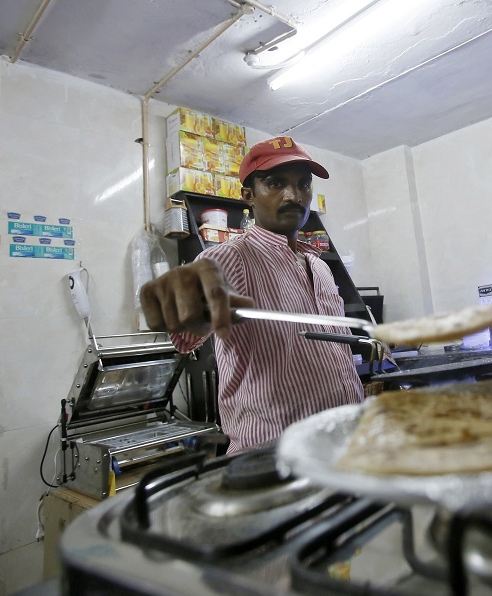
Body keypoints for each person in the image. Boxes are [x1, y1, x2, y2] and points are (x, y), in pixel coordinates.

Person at [140, 136, 364, 453]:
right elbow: (187, 326)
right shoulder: (232, 258)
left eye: (303, 184)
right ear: (248, 195)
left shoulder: (320, 266)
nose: (294, 195)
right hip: (274, 458)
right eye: (275, 183)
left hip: (343, 444)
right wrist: (179, 298)